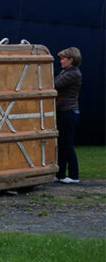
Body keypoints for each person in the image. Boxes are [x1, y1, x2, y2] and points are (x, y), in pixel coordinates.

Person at [54, 47, 83, 184]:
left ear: (71, 60)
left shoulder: (73, 74)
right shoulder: (67, 72)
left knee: (67, 144)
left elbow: (54, 84)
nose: (61, 61)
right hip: (64, 112)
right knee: (61, 144)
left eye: (63, 58)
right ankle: (60, 174)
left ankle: (73, 175)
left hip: (68, 112)